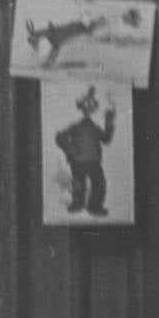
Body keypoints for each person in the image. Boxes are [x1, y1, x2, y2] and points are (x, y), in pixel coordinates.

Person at [54, 83, 115, 218]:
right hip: (78, 162)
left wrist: (109, 121)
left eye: (91, 107)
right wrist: (71, 150)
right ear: (81, 108)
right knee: (78, 184)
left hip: (93, 162)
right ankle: (78, 204)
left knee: (99, 183)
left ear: (93, 109)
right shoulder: (76, 127)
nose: (88, 110)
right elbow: (60, 137)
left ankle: (94, 206)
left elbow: (106, 139)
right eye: (85, 107)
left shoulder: (95, 128)